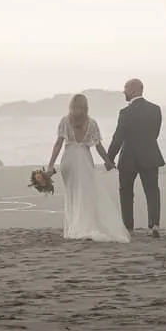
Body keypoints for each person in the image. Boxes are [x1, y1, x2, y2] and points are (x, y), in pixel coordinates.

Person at [44, 92, 130, 242]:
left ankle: (74, 227)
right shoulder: (92, 123)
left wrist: (51, 165)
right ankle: (85, 225)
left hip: (68, 160)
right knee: (87, 195)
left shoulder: (65, 121)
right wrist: (108, 161)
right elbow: (98, 146)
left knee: (73, 195)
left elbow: (58, 144)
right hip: (84, 159)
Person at [104, 78, 165, 236]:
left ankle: (128, 226)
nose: (124, 91)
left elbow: (118, 137)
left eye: (126, 88)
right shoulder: (155, 109)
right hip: (150, 155)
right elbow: (155, 133)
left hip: (129, 157)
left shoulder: (125, 112)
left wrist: (109, 158)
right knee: (152, 191)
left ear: (135, 89)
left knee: (126, 192)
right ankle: (154, 224)